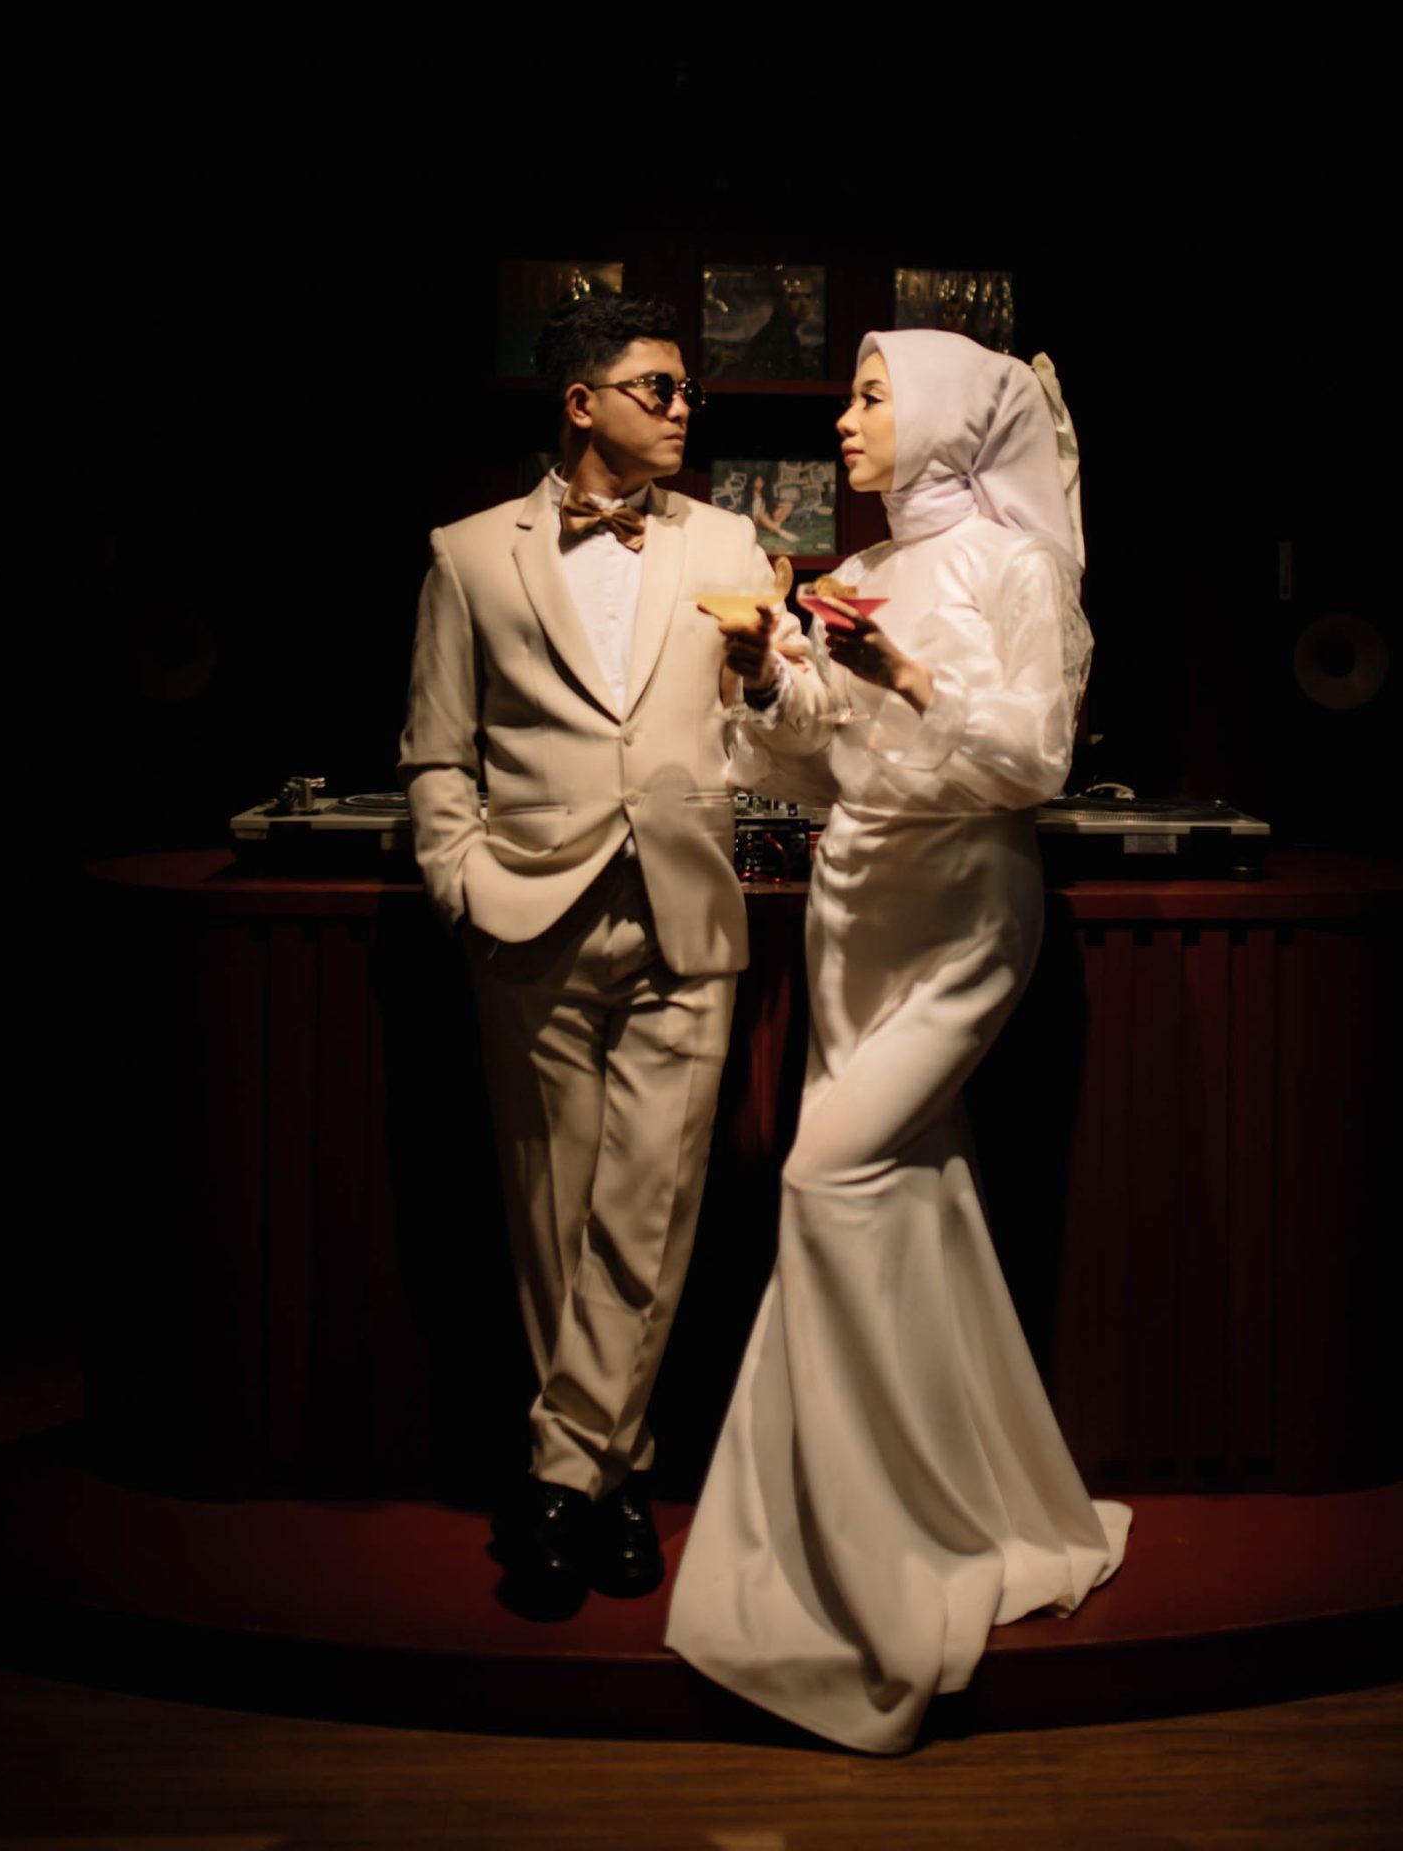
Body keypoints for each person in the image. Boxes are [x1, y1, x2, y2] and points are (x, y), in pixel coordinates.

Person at [665, 328, 1131, 1753]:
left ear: (939, 418)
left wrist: (911, 676)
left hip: (964, 902)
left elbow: (1034, 758)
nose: (846, 419)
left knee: (826, 1177)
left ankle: (884, 1542)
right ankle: (955, 1496)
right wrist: (771, 672)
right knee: (916, 1198)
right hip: (853, 901)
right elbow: (808, 751)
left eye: (872, 396)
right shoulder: (863, 567)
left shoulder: (1015, 566)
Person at [398, 295, 798, 1620]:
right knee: (554, 1216)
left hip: (685, 912)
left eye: (688, 391)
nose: (684, 409)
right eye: (658, 388)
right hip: (527, 914)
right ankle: (619, 1480)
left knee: (652, 1204)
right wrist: (460, 881)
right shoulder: (468, 556)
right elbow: (436, 754)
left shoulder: (734, 545)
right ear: (582, 403)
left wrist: (764, 674)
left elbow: (771, 730)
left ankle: (562, 1479)